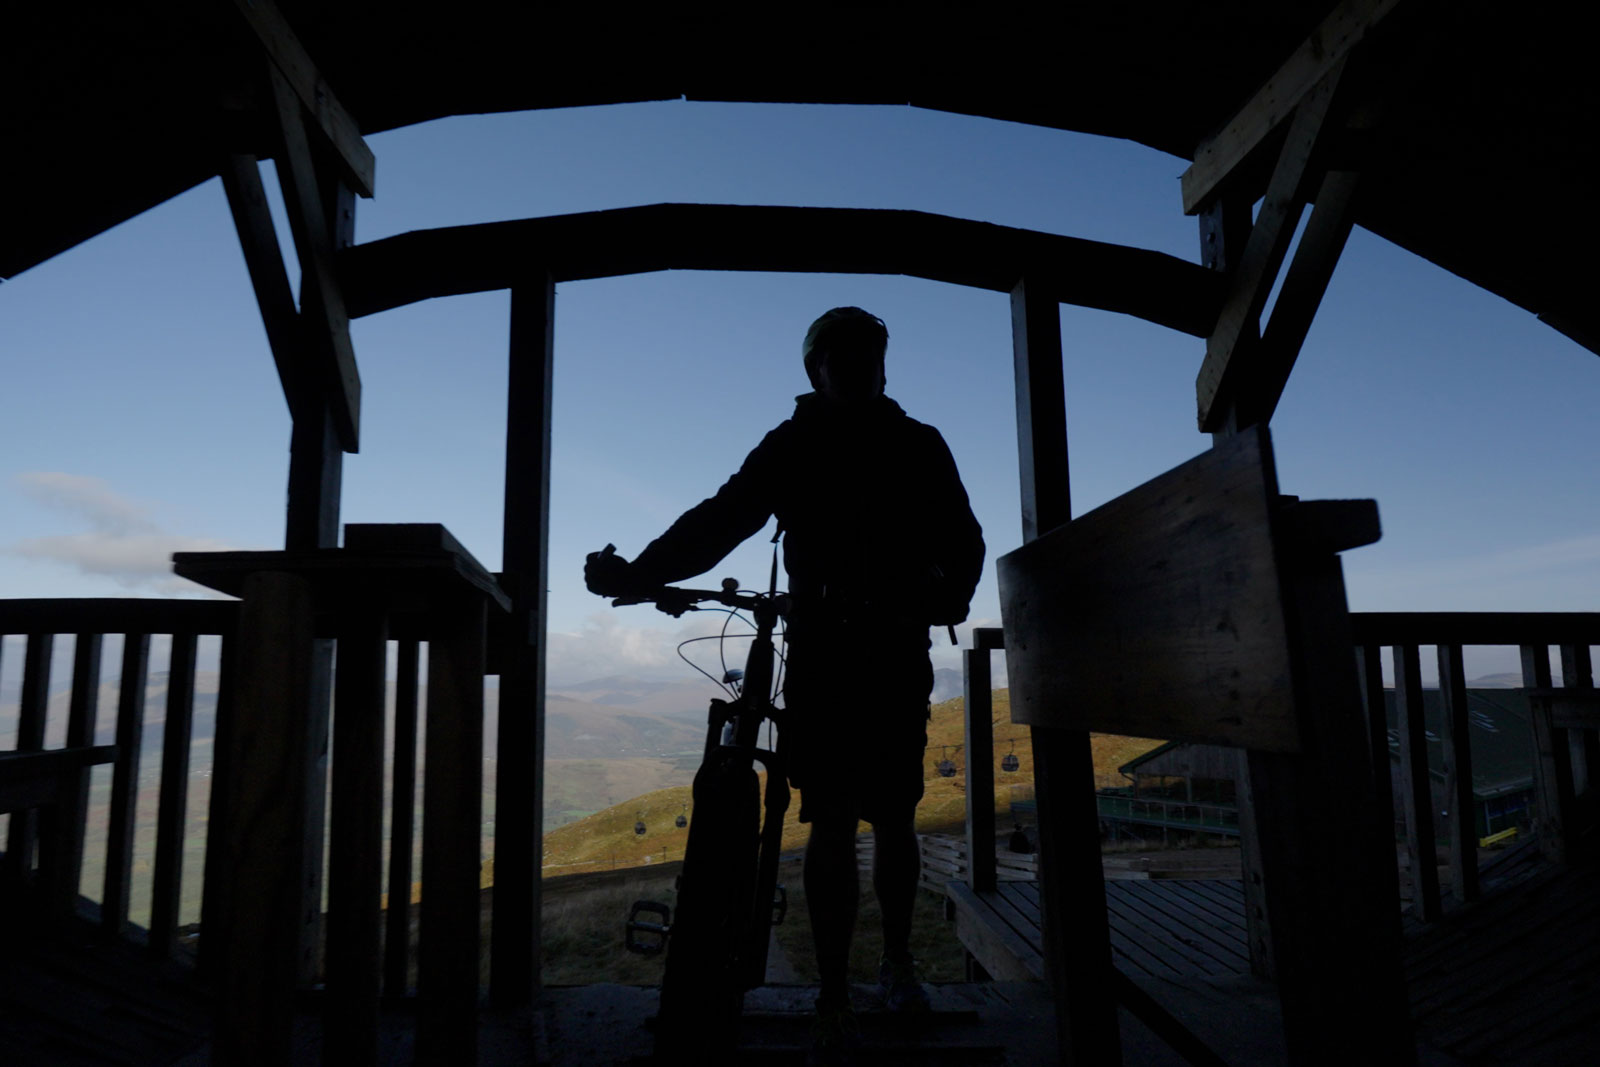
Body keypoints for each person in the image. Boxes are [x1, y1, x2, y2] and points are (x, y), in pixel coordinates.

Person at [585, 307, 984, 1060]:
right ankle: (838, 987)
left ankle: (892, 965)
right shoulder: (801, 444)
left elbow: (963, 540)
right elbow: (722, 519)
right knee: (835, 818)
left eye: (869, 352)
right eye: (844, 354)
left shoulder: (912, 445)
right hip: (835, 654)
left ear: (881, 364)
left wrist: (945, 591)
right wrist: (642, 571)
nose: (860, 364)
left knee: (892, 815)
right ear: (818, 368)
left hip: (889, 649)